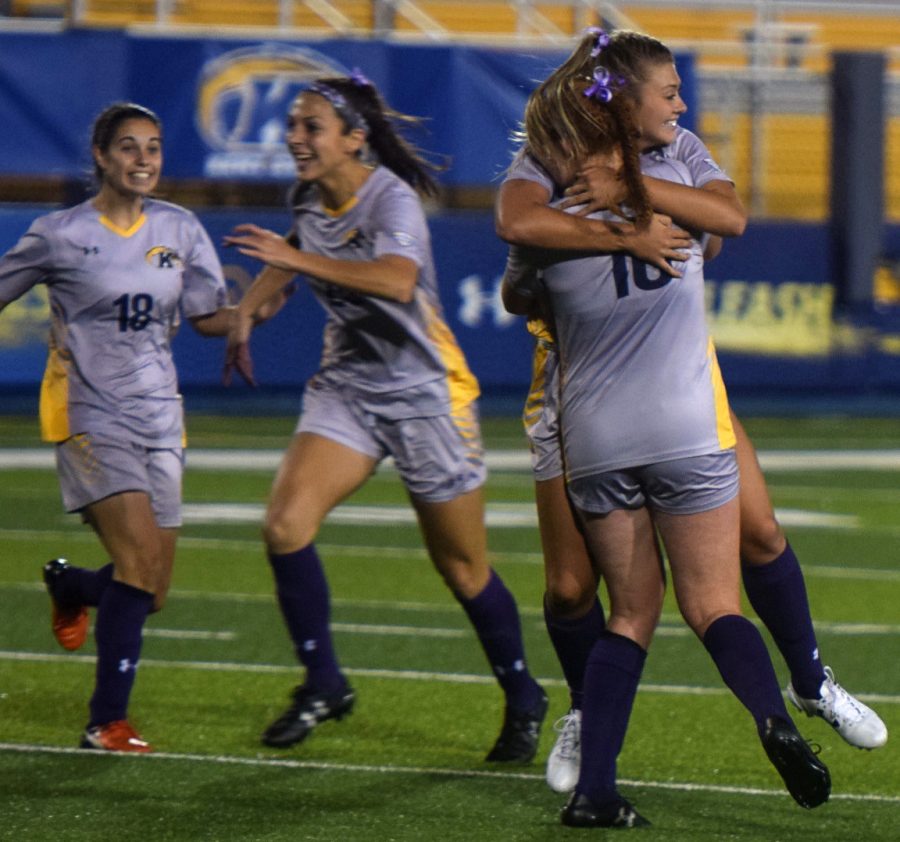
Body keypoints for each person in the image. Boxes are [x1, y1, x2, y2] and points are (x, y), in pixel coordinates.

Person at [496, 28, 887, 797]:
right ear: (619, 98)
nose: (683, 103)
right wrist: (624, 231)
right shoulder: (552, 163)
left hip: (670, 385)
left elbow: (728, 216)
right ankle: (588, 710)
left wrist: (629, 200)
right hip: (573, 388)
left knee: (757, 536)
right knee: (577, 590)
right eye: (669, 90)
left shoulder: (676, 151)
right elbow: (518, 248)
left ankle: (810, 682)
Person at [221, 71, 548, 761]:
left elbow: (396, 281)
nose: (295, 136)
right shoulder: (310, 199)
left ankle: (523, 694)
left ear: (354, 139)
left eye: (311, 126)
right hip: (349, 387)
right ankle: (323, 681)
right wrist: (251, 306)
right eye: (294, 125)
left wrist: (291, 258)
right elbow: (297, 245)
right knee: (284, 526)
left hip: (425, 393)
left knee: (463, 570)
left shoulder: (390, 199)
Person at [0, 102, 276, 752]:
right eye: (129, 147)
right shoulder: (59, 233)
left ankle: (68, 584)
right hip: (88, 412)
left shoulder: (179, 228)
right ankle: (106, 721)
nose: (143, 159)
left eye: (153, 147)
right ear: (101, 156)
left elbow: (208, 316)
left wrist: (246, 315)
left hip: (161, 415)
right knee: (138, 560)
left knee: (149, 590)